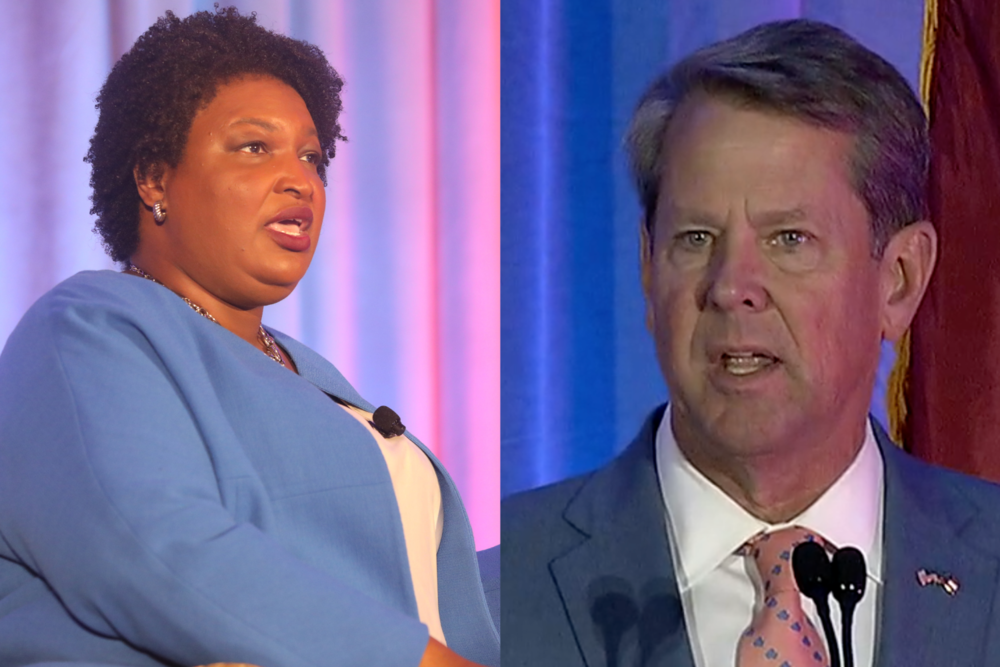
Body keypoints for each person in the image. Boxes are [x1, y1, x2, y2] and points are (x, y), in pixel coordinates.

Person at [0, 7, 497, 667]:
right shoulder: (87, 327)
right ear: (155, 177)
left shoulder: (307, 373)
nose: (301, 180)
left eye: (313, 157)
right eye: (254, 147)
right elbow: (158, 546)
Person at [502, 18, 1000, 667]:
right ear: (649, 270)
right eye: (697, 238)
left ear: (899, 280)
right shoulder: (485, 592)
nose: (732, 286)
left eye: (788, 239)